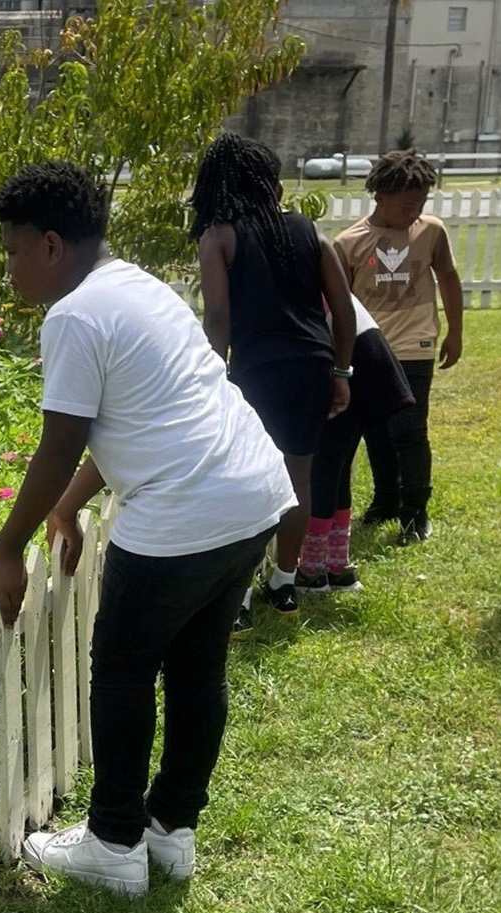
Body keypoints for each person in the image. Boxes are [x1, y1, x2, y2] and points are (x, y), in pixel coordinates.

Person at [0, 162, 294, 897]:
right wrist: (67, 505)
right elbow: (135, 418)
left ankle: (114, 843)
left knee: (121, 670)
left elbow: (60, 443)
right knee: (196, 669)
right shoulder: (140, 288)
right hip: (251, 494)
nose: (9, 267)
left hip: (184, 511)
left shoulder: (75, 315)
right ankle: (171, 829)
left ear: (51, 246)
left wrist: (6, 549)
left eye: (12, 249)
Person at [191, 133, 355, 620]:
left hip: (256, 371)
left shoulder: (218, 235)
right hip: (313, 366)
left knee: (245, 480)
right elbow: (342, 313)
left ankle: (238, 598)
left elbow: (217, 318)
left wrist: (209, 381)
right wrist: (341, 372)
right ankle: (284, 584)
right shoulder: (310, 231)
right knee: (296, 478)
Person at [333, 148, 464, 544]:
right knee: (376, 430)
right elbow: (339, 307)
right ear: (379, 196)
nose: (415, 211)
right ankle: (386, 499)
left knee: (409, 430)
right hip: (370, 349)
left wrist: (455, 331)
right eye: (407, 204)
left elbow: (449, 278)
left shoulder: (431, 231)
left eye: (422, 202)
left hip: (415, 345)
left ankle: (415, 513)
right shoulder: (349, 243)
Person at [305, 297, 417, 592]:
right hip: (367, 357)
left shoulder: (297, 270)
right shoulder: (313, 261)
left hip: (352, 360)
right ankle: (337, 565)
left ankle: (312, 569)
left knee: (325, 469)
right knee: (338, 471)